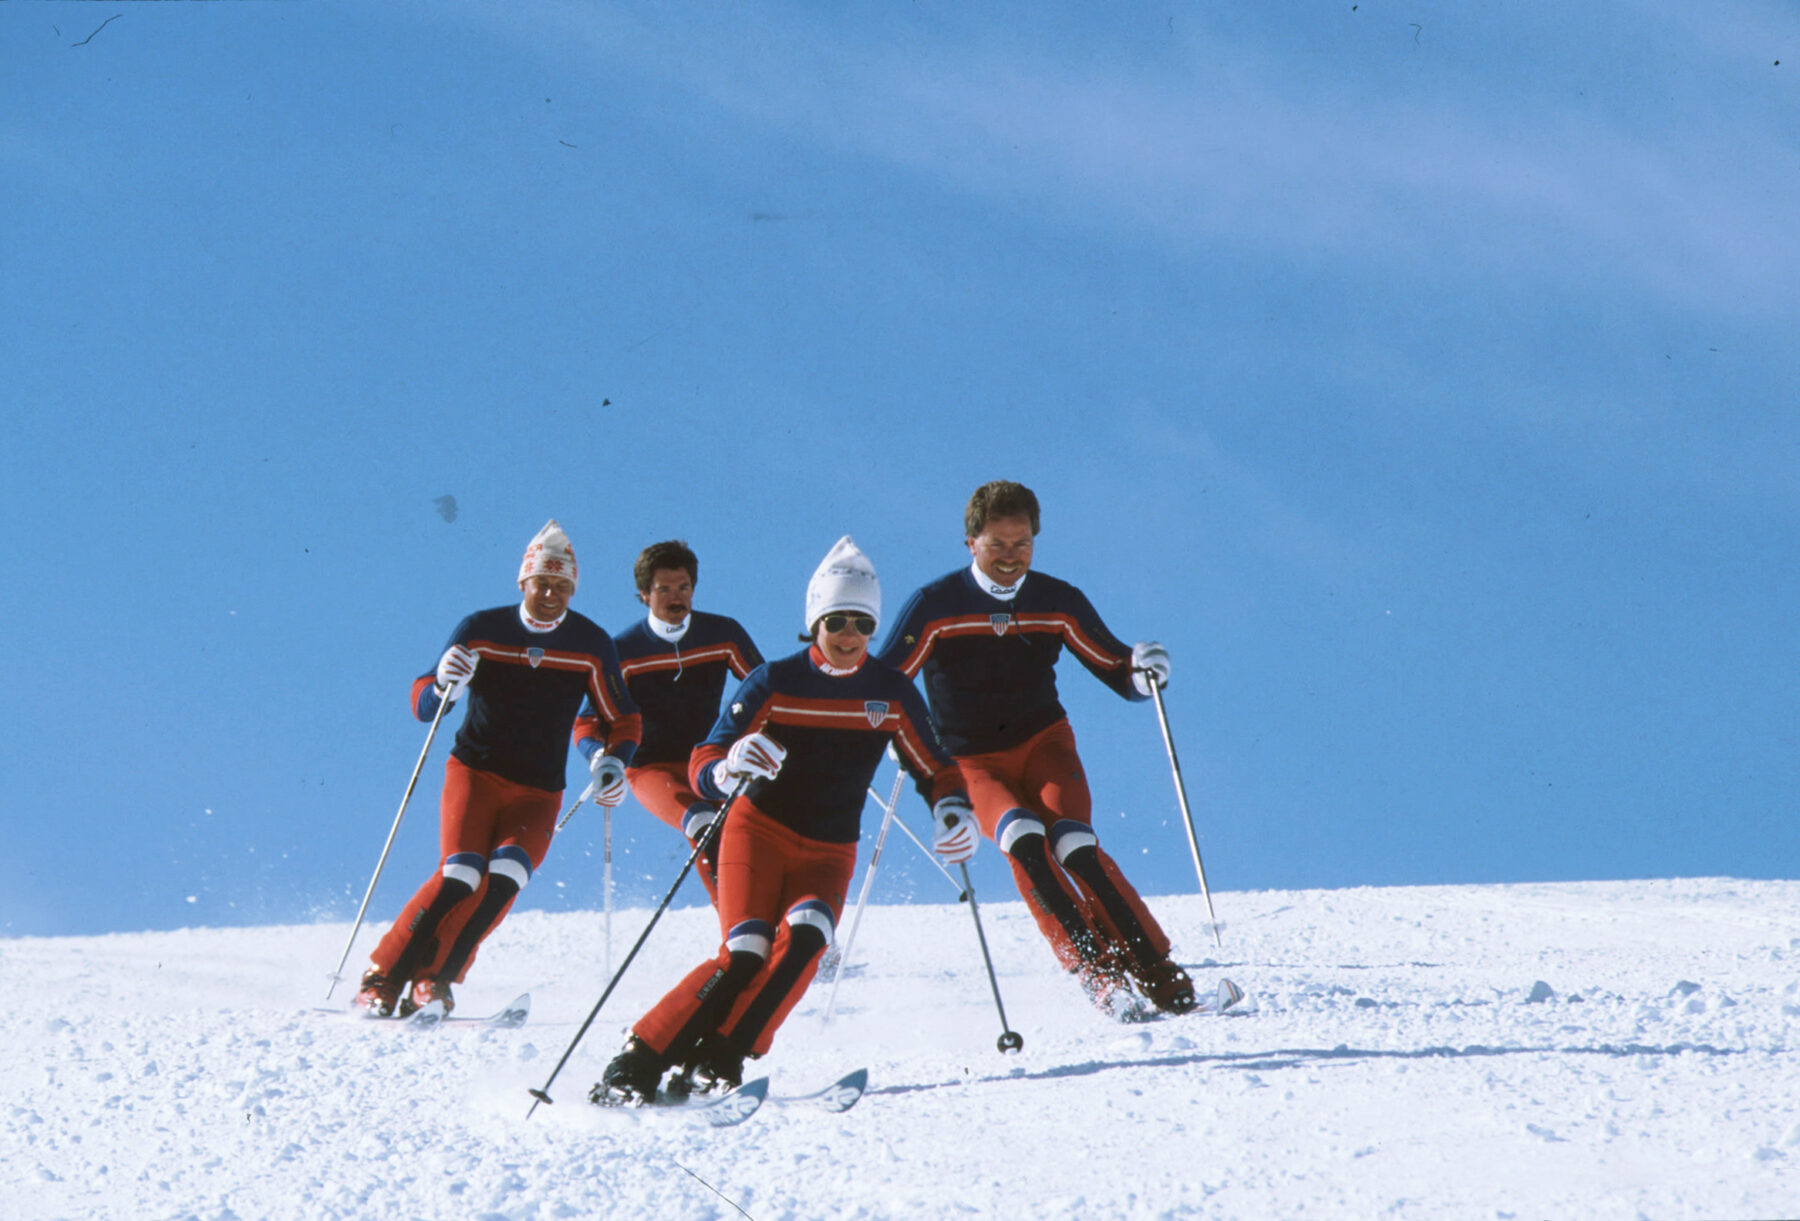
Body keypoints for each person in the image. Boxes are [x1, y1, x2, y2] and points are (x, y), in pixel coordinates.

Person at [592, 536, 974, 1103]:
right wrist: (727, 767)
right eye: (837, 621)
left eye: (864, 625)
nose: (850, 637)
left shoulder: (890, 693)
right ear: (814, 622)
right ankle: (638, 1059)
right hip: (758, 832)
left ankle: (720, 1060)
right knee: (745, 952)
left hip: (829, 847)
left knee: (804, 944)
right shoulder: (776, 680)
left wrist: (950, 807)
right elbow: (705, 756)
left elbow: (935, 768)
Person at [874, 480, 1197, 1019]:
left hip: (1044, 743)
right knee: (1023, 838)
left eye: (1021, 544)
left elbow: (1113, 665)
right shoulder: (935, 605)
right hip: (969, 760)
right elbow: (885, 680)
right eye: (997, 544)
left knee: (1075, 845)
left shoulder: (1056, 599)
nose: (1010, 557)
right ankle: (1098, 976)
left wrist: (1144, 670)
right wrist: (892, 731)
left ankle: (1161, 976)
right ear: (970, 543)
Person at [356, 520, 641, 1019]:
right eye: (542, 584)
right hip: (476, 772)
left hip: (538, 789)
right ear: (523, 583)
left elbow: (623, 718)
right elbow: (426, 702)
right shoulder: (483, 627)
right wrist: (445, 682)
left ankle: (437, 981)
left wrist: (612, 760)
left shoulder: (590, 643)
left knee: (506, 877)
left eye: (562, 586)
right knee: (461, 874)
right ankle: (383, 978)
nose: (551, 595)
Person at [573, 540, 763, 902]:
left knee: (751, 832)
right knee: (702, 823)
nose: (676, 598)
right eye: (664, 590)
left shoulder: (723, 635)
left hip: (708, 760)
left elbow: (765, 690)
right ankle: (742, 934)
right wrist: (601, 759)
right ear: (644, 594)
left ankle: (784, 929)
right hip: (651, 768)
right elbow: (586, 723)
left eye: (684, 588)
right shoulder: (624, 651)